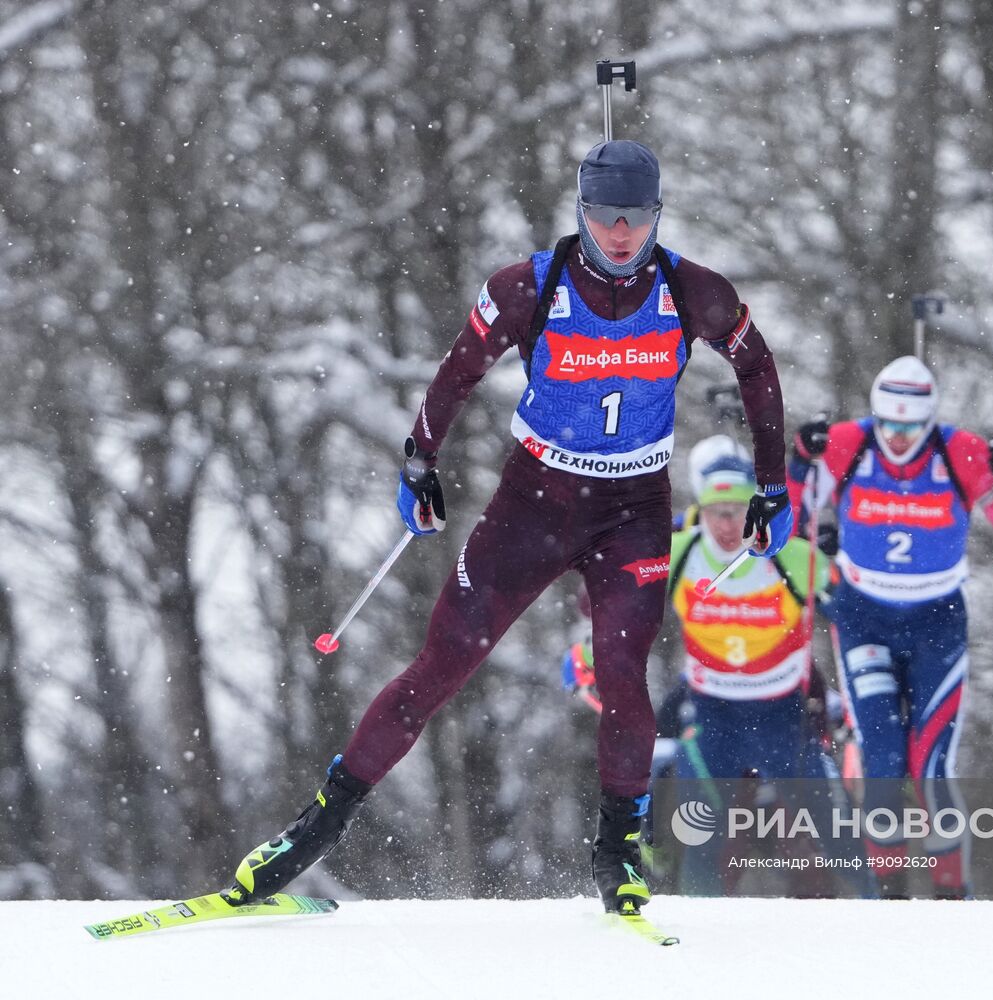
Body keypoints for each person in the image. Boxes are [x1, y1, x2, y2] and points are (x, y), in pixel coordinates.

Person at [224, 140, 792, 916]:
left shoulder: (692, 291)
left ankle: (618, 855)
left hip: (633, 509)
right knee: (442, 664)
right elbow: (459, 369)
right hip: (535, 501)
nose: (619, 232)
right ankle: (315, 828)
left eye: (635, 217)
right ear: (580, 211)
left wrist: (771, 482)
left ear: (657, 215)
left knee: (623, 674)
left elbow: (755, 367)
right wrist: (420, 461)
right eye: (602, 215)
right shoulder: (531, 286)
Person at [563, 435, 872, 898]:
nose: (726, 524)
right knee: (701, 838)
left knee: (834, 836)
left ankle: (885, 919)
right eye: (714, 512)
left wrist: (839, 565)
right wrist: (588, 656)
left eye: (735, 511)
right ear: (700, 511)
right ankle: (697, 941)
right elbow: (614, 602)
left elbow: (855, 615)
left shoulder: (792, 556)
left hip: (782, 717)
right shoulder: (679, 552)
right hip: (713, 717)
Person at [788, 356, 993, 898]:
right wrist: (797, 461)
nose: (897, 438)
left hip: (936, 624)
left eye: (910, 428)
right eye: (887, 424)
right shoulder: (848, 442)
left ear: (929, 421)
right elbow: (787, 523)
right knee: (882, 762)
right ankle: (887, 895)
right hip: (863, 620)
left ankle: (953, 894)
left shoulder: (959, 451)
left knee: (930, 766)